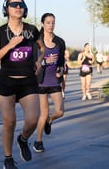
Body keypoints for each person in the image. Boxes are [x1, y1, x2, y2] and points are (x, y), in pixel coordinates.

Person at [0, 0, 44, 169]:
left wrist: (39, 61)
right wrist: (10, 46)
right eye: (14, 5)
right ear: (7, 9)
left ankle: (23, 139)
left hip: (28, 81)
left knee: (33, 120)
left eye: (21, 4)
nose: (18, 7)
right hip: (6, 82)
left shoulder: (31, 30)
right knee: (9, 122)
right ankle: (8, 159)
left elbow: (42, 48)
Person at [33, 13, 65, 153]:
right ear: (42, 24)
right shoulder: (37, 42)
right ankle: (38, 142)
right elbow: (34, 63)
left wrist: (60, 70)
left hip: (54, 81)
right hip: (40, 82)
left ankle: (50, 121)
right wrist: (45, 62)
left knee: (60, 111)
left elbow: (61, 62)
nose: (51, 25)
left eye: (53, 22)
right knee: (43, 113)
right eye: (48, 22)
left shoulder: (59, 42)